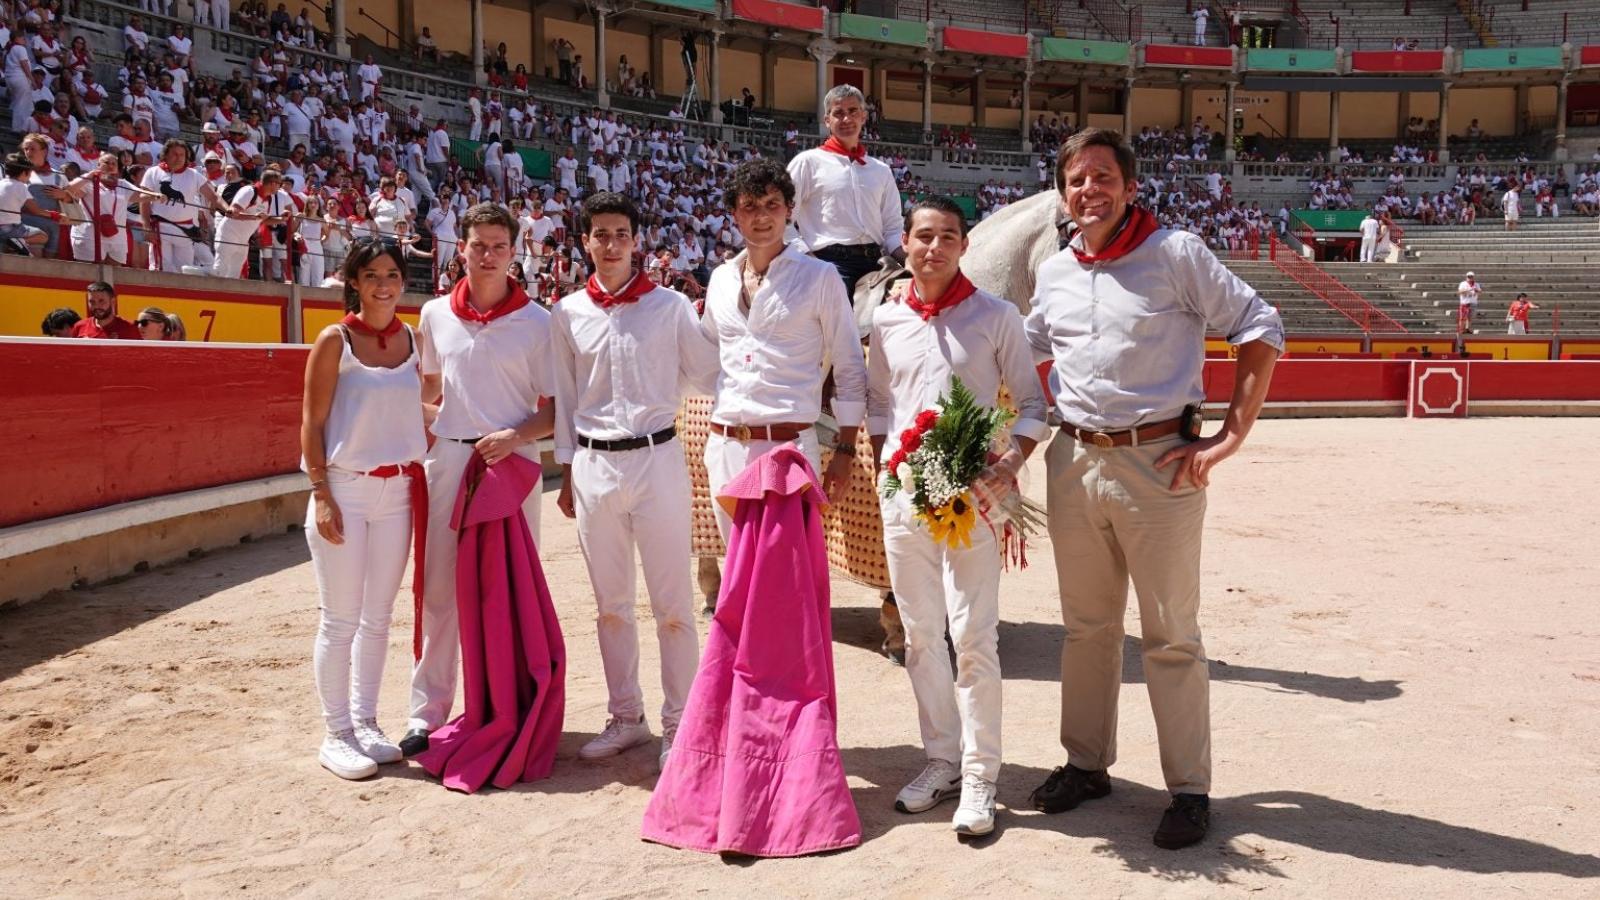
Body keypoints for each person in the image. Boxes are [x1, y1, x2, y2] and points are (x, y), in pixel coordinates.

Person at [1022, 128, 1283, 850]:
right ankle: (1085, 763)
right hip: (1073, 459)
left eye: (1103, 178)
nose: (1089, 191)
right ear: (1064, 194)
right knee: (1086, 627)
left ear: (1130, 188)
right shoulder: (1056, 271)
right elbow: (1028, 348)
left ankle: (1190, 789)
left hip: (1159, 462)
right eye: (1076, 180)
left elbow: (1259, 324)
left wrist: (1231, 435)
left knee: (1169, 634)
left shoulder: (1176, 253)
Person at [867, 196, 1049, 838]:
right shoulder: (887, 321)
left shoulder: (998, 316)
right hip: (903, 492)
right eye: (924, 236)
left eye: (948, 236)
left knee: (973, 635)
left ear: (964, 246)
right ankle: (941, 759)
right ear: (908, 246)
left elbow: (1031, 405)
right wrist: (886, 466)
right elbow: (881, 404)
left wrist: (1006, 464)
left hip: (970, 495)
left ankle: (981, 773)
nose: (935, 247)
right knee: (919, 634)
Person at [551, 191, 719, 770]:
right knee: (611, 605)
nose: (611, 243)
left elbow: (707, 372)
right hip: (595, 463)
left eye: (621, 232)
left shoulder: (671, 306)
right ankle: (627, 716)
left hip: (657, 457)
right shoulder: (568, 312)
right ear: (585, 242)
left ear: (636, 240)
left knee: (672, 603)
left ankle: (681, 722)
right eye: (600, 233)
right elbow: (568, 399)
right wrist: (568, 471)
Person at [403, 203, 555, 758]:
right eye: (477, 245)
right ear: (459, 249)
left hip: (512, 464)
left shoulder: (540, 323)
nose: (487, 255)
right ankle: (427, 711)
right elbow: (431, 390)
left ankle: (506, 704)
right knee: (440, 587)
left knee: (507, 588)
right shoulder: (435, 314)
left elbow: (557, 410)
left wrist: (513, 437)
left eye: (498, 246)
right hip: (449, 458)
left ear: (514, 253)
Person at [300, 240, 427, 780]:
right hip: (346, 489)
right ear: (353, 280)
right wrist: (321, 493)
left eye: (392, 274)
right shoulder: (336, 340)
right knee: (341, 619)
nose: (383, 284)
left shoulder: (414, 341)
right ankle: (337, 732)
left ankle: (366, 722)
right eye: (371, 274)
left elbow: (420, 408)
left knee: (378, 618)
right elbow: (311, 421)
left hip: (397, 489)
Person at [700, 157, 866, 542]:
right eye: (750, 207)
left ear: (790, 210)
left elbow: (848, 364)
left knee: (785, 578)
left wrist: (844, 449)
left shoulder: (820, 276)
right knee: (740, 578)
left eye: (772, 204)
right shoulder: (721, 279)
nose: (761, 216)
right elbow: (706, 355)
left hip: (787, 448)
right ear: (734, 215)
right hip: (725, 448)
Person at [786, 85, 904, 300]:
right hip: (830, 262)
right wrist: (809, 259)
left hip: (878, 261)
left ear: (864, 116)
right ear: (827, 120)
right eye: (838, 113)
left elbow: (893, 227)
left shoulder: (881, 170)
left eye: (853, 111)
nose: (846, 119)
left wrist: (911, 261)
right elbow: (782, 220)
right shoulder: (807, 162)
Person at [141, 139, 222, 273]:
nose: (178, 158)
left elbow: (213, 197)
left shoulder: (194, 174)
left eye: (182, 155)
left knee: (185, 269)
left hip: (186, 229)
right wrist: (146, 226)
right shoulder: (153, 172)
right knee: (160, 269)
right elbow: (143, 200)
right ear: (165, 155)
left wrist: (229, 209)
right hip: (161, 227)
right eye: (174, 154)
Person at [70, 281, 142, 339]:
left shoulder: (130, 329)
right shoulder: (79, 327)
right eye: (92, 302)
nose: (97, 306)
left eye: (101, 301)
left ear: (113, 302)